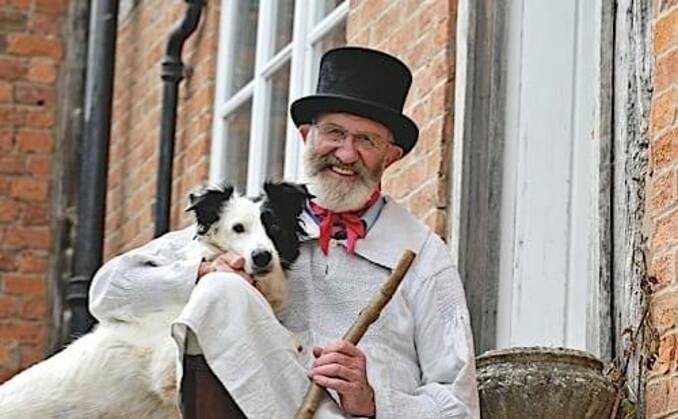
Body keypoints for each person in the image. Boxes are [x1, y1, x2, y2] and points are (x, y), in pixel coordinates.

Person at [89, 47, 480, 418]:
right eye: (334, 133)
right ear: (305, 135)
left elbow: (460, 407)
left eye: (366, 141)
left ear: (390, 156)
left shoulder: (424, 255)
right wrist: (203, 274)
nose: (345, 153)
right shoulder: (248, 226)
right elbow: (108, 292)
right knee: (222, 291)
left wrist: (374, 401)